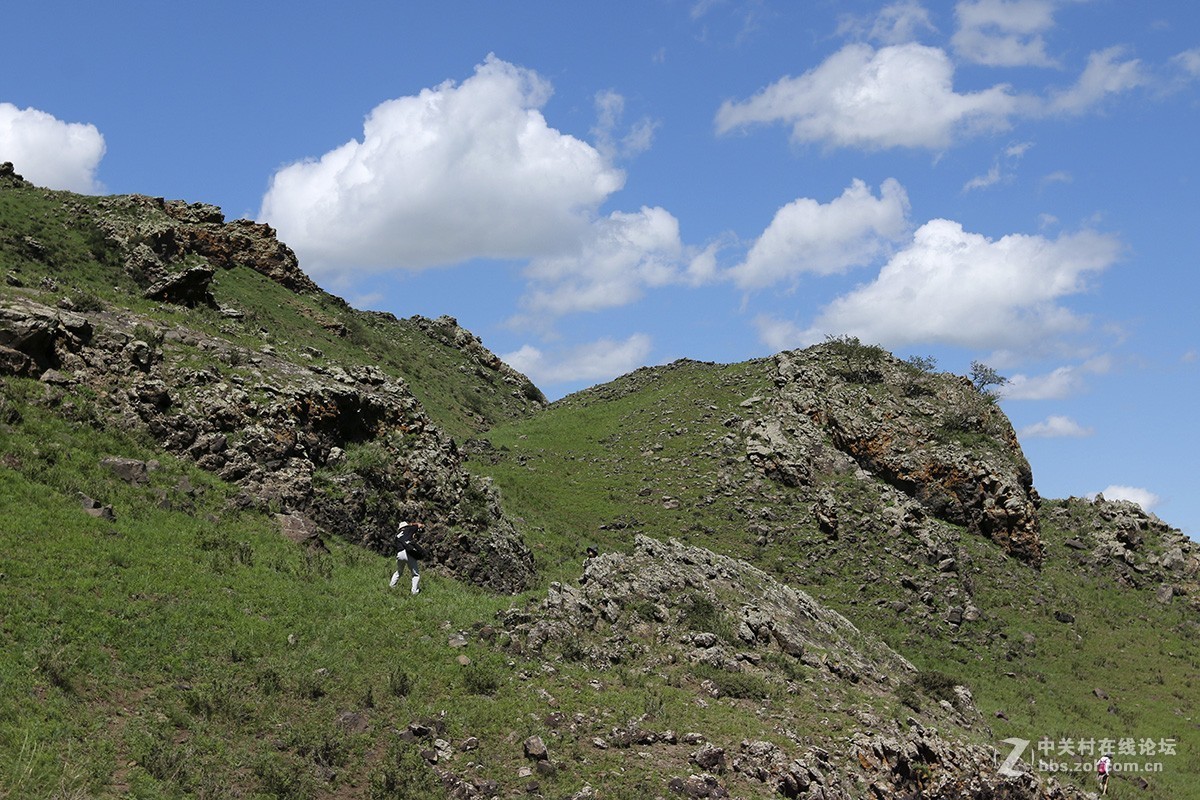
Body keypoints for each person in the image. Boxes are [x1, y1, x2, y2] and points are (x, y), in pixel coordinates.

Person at [390, 521, 425, 594]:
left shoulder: (397, 535)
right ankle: (414, 592)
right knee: (415, 574)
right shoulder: (409, 529)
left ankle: (391, 586)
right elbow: (420, 525)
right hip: (408, 552)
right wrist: (414, 524)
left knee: (399, 572)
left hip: (400, 554)